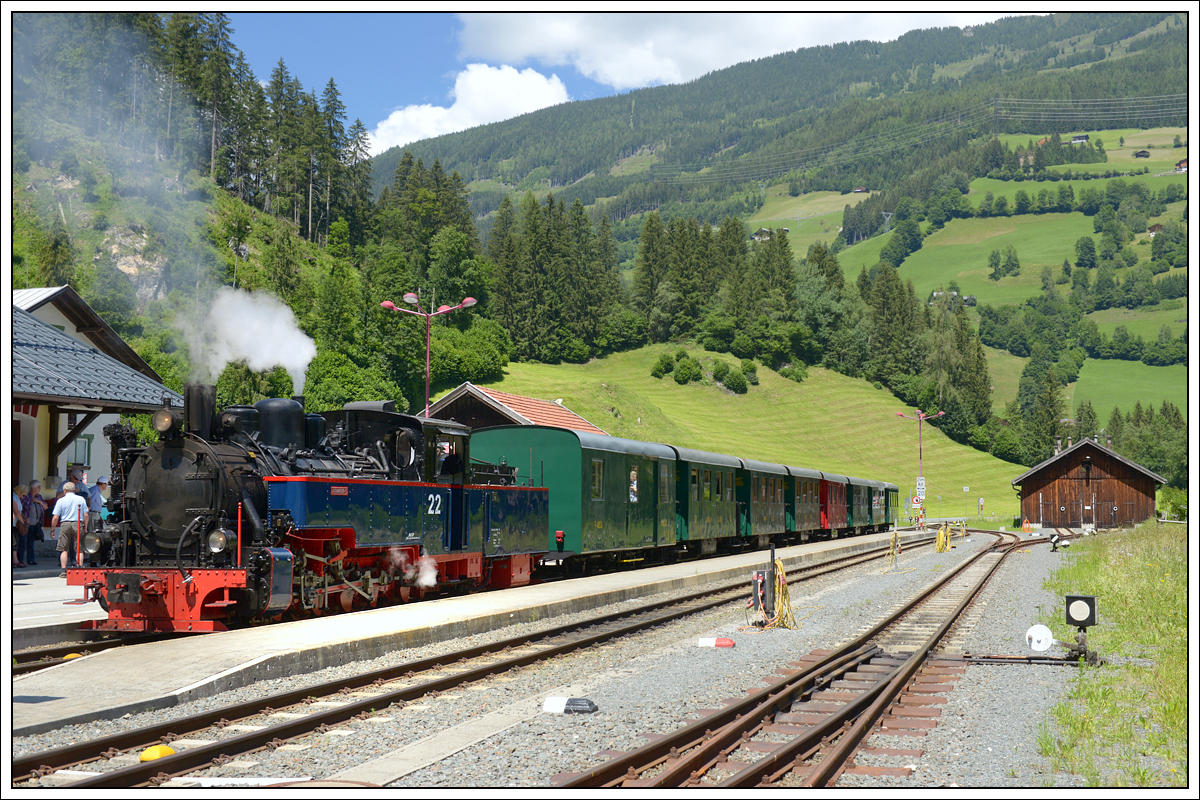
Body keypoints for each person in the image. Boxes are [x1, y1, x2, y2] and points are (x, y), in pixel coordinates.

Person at [51, 481, 89, 576]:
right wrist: (85, 527)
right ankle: (79, 569)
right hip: (78, 523)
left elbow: (55, 517)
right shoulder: (81, 499)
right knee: (79, 549)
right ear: (74, 490)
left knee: (64, 549)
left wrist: (52, 529)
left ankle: (63, 571)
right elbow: (86, 515)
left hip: (65, 524)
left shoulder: (60, 500)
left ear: (65, 490)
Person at [20, 480, 47, 566]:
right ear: (33, 487)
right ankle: (20, 560)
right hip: (26, 524)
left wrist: (39, 502)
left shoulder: (39, 497)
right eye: (38, 487)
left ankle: (31, 560)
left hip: (36, 524)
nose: (40, 488)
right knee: (22, 542)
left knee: (31, 543)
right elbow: (20, 509)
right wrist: (24, 518)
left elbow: (46, 507)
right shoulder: (25, 497)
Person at [13, 485, 28, 568]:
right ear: (20, 492)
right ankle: (15, 561)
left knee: (16, 542)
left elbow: (20, 511)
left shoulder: (17, 498)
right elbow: (16, 511)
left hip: (15, 524)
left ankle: (16, 561)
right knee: (14, 543)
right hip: (13, 523)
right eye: (23, 495)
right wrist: (23, 522)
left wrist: (24, 518)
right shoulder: (13, 497)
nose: (23, 497)